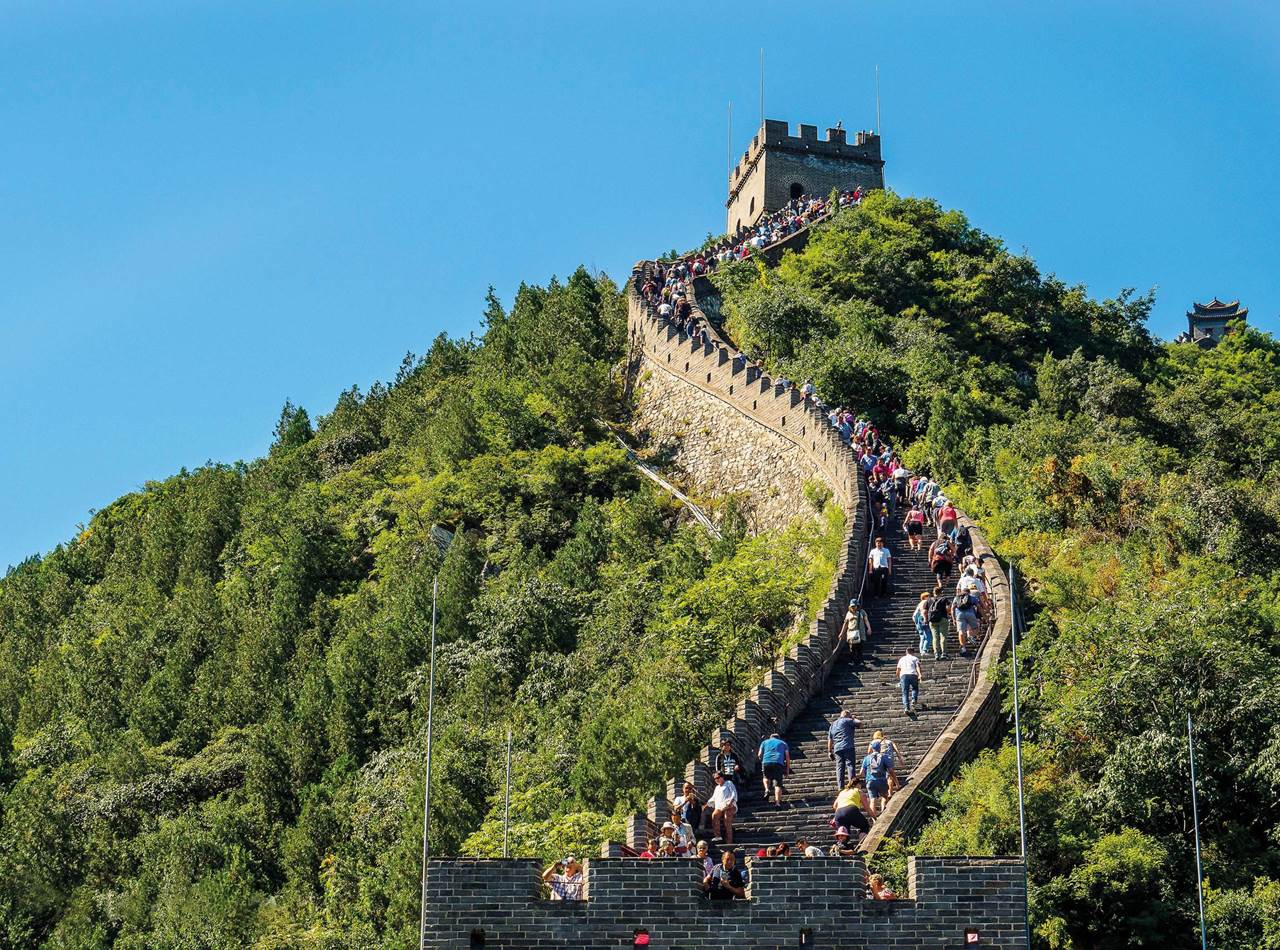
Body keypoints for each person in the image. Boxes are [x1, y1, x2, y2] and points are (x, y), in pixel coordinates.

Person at [827, 709, 864, 790]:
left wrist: (829, 751)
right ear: (847, 715)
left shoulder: (833, 724)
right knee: (850, 765)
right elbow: (860, 724)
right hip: (848, 746)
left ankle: (840, 787)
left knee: (840, 768)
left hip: (837, 748)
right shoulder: (848, 720)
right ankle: (852, 785)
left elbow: (830, 739)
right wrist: (853, 718)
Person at [757, 732, 791, 807]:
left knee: (765, 777)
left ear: (770, 737)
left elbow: (759, 754)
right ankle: (777, 803)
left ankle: (767, 789)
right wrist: (787, 770)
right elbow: (787, 757)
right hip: (778, 763)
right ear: (778, 738)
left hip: (766, 762)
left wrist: (762, 760)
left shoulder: (764, 742)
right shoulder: (783, 743)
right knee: (778, 784)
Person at [860, 741, 892, 816]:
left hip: (870, 781)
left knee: (872, 800)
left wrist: (866, 778)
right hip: (882, 780)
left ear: (872, 748)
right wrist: (896, 782)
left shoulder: (866, 758)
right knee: (885, 796)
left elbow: (861, 772)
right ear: (879, 748)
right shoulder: (884, 756)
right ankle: (883, 812)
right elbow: (890, 770)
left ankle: (874, 820)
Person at [708, 772, 738, 844]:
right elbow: (713, 798)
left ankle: (729, 840)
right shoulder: (717, 788)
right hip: (720, 806)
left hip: (730, 804)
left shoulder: (728, 783)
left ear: (722, 777)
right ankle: (718, 836)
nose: (716, 780)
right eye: (715, 779)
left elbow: (734, 793)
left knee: (727, 818)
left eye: (718, 777)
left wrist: (730, 802)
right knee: (714, 815)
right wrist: (707, 804)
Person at [951, 586, 981, 656]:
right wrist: (985, 616)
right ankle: (971, 636)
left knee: (961, 631)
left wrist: (953, 618)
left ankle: (963, 648)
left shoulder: (956, 598)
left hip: (959, 615)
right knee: (976, 628)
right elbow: (979, 607)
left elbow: (952, 608)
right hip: (970, 614)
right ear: (969, 592)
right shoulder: (972, 597)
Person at [839, 597, 871, 663]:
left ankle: (860, 661)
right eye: (852, 606)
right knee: (852, 648)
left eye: (854, 606)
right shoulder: (848, 613)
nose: (853, 608)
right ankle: (853, 661)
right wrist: (841, 633)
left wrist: (869, 628)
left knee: (860, 647)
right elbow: (845, 624)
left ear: (857, 606)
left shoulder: (862, 612)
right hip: (851, 634)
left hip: (860, 633)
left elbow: (866, 620)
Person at [926, 591, 950, 660]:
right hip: (943, 619)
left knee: (935, 637)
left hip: (932, 620)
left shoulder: (929, 600)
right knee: (943, 636)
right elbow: (948, 608)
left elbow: (925, 610)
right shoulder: (944, 599)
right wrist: (948, 613)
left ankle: (936, 653)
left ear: (933, 593)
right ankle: (944, 653)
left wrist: (926, 619)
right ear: (941, 592)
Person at [898, 646, 922, 714]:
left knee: (905, 692)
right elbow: (917, 667)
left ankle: (906, 707)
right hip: (913, 674)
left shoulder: (901, 659)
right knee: (915, 688)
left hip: (904, 675)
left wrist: (899, 677)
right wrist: (920, 674)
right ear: (913, 652)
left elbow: (898, 670)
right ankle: (914, 700)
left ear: (906, 652)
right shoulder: (915, 658)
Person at [912, 591, 932, 657]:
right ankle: (924, 650)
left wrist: (916, 623)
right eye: (928, 596)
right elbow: (924, 611)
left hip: (919, 620)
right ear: (924, 597)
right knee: (928, 637)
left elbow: (915, 615)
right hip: (923, 618)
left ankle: (921, 651)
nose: (930, 597)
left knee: (922, 637)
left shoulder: (919, 603)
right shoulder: (925, 602)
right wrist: (925, 619)